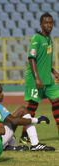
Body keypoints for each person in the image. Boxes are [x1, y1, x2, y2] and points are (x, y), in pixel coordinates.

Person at [22, 12, 59, 142]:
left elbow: (44, 60)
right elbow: (31, 58)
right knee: (32, 106)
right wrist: (37, 78)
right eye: (46, 23)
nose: (49, 25)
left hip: (47, 79)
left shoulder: (49, 39)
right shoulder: (36, 38)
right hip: (35, 79)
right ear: (41, 24)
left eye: (51, 23)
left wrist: (53, 71)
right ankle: (24, 136)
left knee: (57, 101)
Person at [0, 81, 54, 151]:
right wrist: (37, 120)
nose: (2, 94)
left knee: (5, 120)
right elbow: (13, 121)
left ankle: (10, 146)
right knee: (22, 110)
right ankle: (35, 144)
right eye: (0, 92)